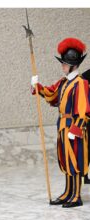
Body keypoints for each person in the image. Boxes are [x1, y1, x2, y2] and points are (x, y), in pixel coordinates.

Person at [30, 37, 90, 208]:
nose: (62, 66)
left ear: (73, 65)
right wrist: (38, 87)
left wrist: (76, 129)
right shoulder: (64, 82)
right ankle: (67, 192)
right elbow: (52, 95)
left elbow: (84, 110)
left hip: (74, 128)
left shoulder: (81, 84)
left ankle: (76, 195)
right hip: (63, 127)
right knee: (65, 160)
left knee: (75, 161)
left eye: (64, 63)